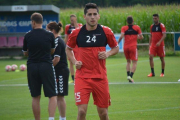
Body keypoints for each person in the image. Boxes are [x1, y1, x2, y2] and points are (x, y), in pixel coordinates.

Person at [66, 3, 119, 120]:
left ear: (98, 16)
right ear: (84, 17)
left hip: (100, 78)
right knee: (81, 112)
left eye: (95, 14)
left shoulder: (106, 31)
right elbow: (68, 49)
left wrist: (107, 53)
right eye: (89, 14)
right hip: (82, 78)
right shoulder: (76, 33)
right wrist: (74, 61)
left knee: (104, 113)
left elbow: (116, 48)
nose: (92, 17)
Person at [22, 12, 57, 120]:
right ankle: (51, 118)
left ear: (33, 22)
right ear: (42, 22)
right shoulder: (50, 35)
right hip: (46, 66)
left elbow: (25, 53)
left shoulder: (27, 35)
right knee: (52, 95)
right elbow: (52, 50)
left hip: (32, 67)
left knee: (35, 96)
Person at [46, 22, 69, 120]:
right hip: (57, 71)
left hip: (61, 71)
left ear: (53, 31)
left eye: (47, 30)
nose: (46, 32)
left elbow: (56, 59)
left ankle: (63, 118)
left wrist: (47, 68)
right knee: (57, 96)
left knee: (60, 96)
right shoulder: (54, 41)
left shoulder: (57, 41)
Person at [118, 16, 143, 83]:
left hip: (126, 47)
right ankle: (131, 76)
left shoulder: (124, 28)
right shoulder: (137, 27)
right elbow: (141, 37)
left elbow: (121, 36)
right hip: (133, 47)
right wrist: (135, 37)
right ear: (133, 21)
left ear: (127, 22)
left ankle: (128, 75)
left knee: (128, 62)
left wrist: (117, 43)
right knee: (134, 62)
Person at [64, 14, 82, 83]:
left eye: (73, 20)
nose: (72, 21)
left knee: (78, 61)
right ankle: (73, 78)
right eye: (71, 20)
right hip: (70, 47)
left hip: (77, 47)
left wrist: (75, 23)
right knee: (71, 62)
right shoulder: (67, 27)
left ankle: (79, 77)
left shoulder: (80, 25)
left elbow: (80, 32)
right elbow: (66, 37)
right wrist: (64, 46)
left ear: (76, 19)